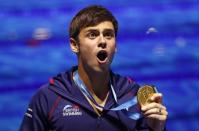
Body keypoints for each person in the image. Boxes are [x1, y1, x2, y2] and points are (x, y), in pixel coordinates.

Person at [20, 5, 168, 131]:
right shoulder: (50, 97)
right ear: (74, 45)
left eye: (108, 35)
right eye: (92, 35)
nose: (102, 41)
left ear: (115, 46)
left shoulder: (133, 96)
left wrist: (157, 129)